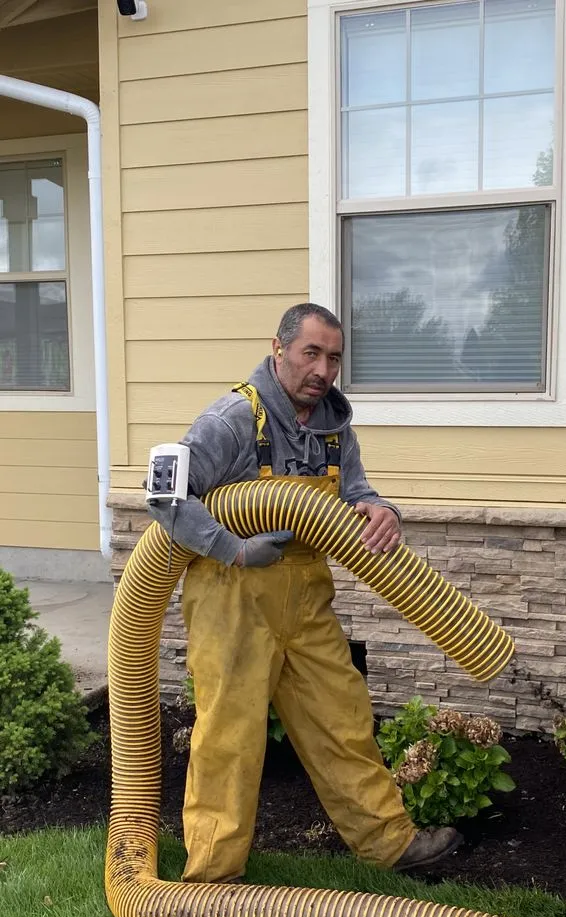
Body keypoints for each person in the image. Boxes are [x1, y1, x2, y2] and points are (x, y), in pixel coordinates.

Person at [148, 302, 463, 883]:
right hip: (233, 594)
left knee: (342, 717)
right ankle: (214, 875)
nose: (322, 370)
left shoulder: (334, 426)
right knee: (231, 735)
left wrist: (381, 510)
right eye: (311, 353)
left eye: (334, 358)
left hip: (306, 594)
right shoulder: (231, 419)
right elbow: (166, 497)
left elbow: (358, 491)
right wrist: (232, 549)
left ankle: (390, 844)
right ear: (280, 348)